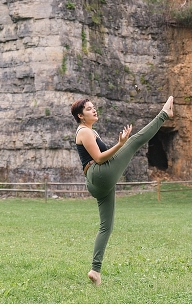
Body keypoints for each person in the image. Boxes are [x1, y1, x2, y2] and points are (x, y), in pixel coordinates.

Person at [73, 95, 174, 286]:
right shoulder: (84, 132)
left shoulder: (90, 131)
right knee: (134, 141)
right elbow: (100, 158)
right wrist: (120, 144)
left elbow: (101, 157)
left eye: (94, 107)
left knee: (106, 226)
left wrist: (119, 145)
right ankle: (164, 114)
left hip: (98, 182)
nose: (94, 110)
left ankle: (95, 270)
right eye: (88, 109)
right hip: (99, 174)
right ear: (80, 116)